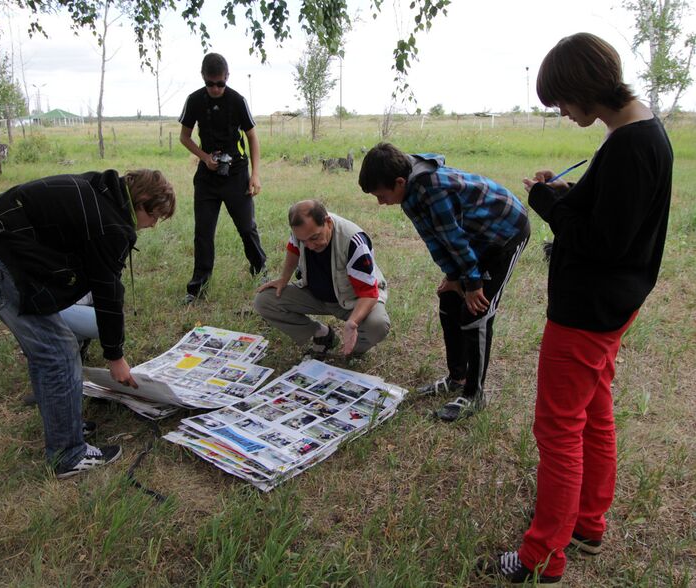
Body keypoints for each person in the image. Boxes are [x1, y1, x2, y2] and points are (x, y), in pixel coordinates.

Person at [477, 33, 673, 584]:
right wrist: (564, 194)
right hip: (610, 305)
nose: (563, 113)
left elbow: (600, 243)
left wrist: (546, 204)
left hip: (588, 311)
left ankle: (543, 556)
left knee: (558, 429)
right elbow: (610, 213)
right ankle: (588, 522)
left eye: (562, 102)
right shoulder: (633, 132)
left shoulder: (633, 145)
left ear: (583, 89)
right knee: (593, 412)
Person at [0, 169, 176, 479]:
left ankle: (63, 422)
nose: (152, 225)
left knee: (47, 347)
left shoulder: (100, 190)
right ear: (144, 200)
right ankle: (68, 454)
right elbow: (107, 290)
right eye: (155, 216)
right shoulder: (111, 222)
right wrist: (116, 357)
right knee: (57, 350)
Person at [359, 142, 530, 422]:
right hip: (474, 234)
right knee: (450, 299)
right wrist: (453, 278)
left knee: (477, 312)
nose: (380, 202)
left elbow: (455, 240)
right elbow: (435, 238)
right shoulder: (409, 190)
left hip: (504, 233)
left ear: (400, 182)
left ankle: (475, 395)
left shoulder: (431, 189)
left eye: (381, 195)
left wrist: (473, 285)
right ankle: (457, 378)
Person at [179, 52, 266, 304]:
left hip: (236, 174)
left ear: (227, 77)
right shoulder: (194, 100)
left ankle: (260, 270)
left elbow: (252, 138)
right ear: (203, 78)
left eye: (220, 83)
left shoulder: (237, 100)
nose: (215, 88)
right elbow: (185, 137)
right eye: (210, 83)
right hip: (207, 176)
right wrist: (205, 157)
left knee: (247, 227)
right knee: (203, 232)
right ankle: (197, 288)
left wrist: (255, 175)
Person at [254, 200, 390, 357]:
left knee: (377, 325)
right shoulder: (302, 232)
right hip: (315, 294)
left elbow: (368, 293)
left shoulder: (353, 241)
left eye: (315, 238)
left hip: (353, 300)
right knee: (264, 300)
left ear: (328, 222)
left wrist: (352, 323)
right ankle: (322, 334)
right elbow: (293, 248)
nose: (310, 246)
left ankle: (353, 351)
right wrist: (283, 279)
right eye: (304, 240)